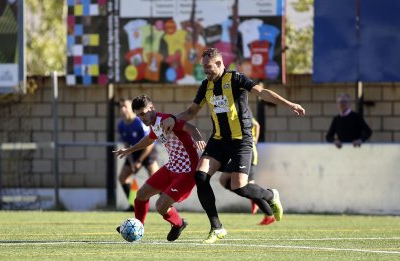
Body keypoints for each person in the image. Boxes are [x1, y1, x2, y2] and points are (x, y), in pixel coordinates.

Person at [161, 47, 305, 243]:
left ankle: (271, 195)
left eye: (209, 67)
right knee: (200, 176)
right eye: (203, 67)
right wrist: (172, 118)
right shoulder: (206, 86)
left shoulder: (236, 79)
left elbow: (262, 92)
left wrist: (290, 105)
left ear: (220, 63)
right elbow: (191, 111)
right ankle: (217, 227)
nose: (206, 71)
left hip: (241, 140)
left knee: (239, 187)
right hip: (219, 140)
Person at [113, 94, 206, 242]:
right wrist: (130, 150)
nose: (142, 118)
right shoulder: (154, 124)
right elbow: (149, 139)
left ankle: (179, 224)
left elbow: (190, 127)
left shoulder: (164, 120)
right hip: (172, 167)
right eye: (138, 116)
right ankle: (138, 227)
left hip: (187, 171)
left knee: (160, 206)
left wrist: (198, 138)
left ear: (152, 108)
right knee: (141, 195)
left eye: (143, 113)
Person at [116, 98, 159, 211]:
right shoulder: (121, 125)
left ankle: (167, 206)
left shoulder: (139, 122)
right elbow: (126, 143)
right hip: (134, 152)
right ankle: (133, 205)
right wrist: (131, 162)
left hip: (148, 151)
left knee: (157, 179)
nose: (123, 109)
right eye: (121, 107)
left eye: (125, 106)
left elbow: (150, 143)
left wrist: (139, 161)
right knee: (123, 178)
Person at [219, 115, 262, 218]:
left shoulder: (243, 113)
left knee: (250, 185)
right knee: (225, 180)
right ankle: (255, 198)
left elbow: (256, 124)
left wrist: (255, 139)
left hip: (248, 152)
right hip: (239, 152)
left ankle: (268, 209)